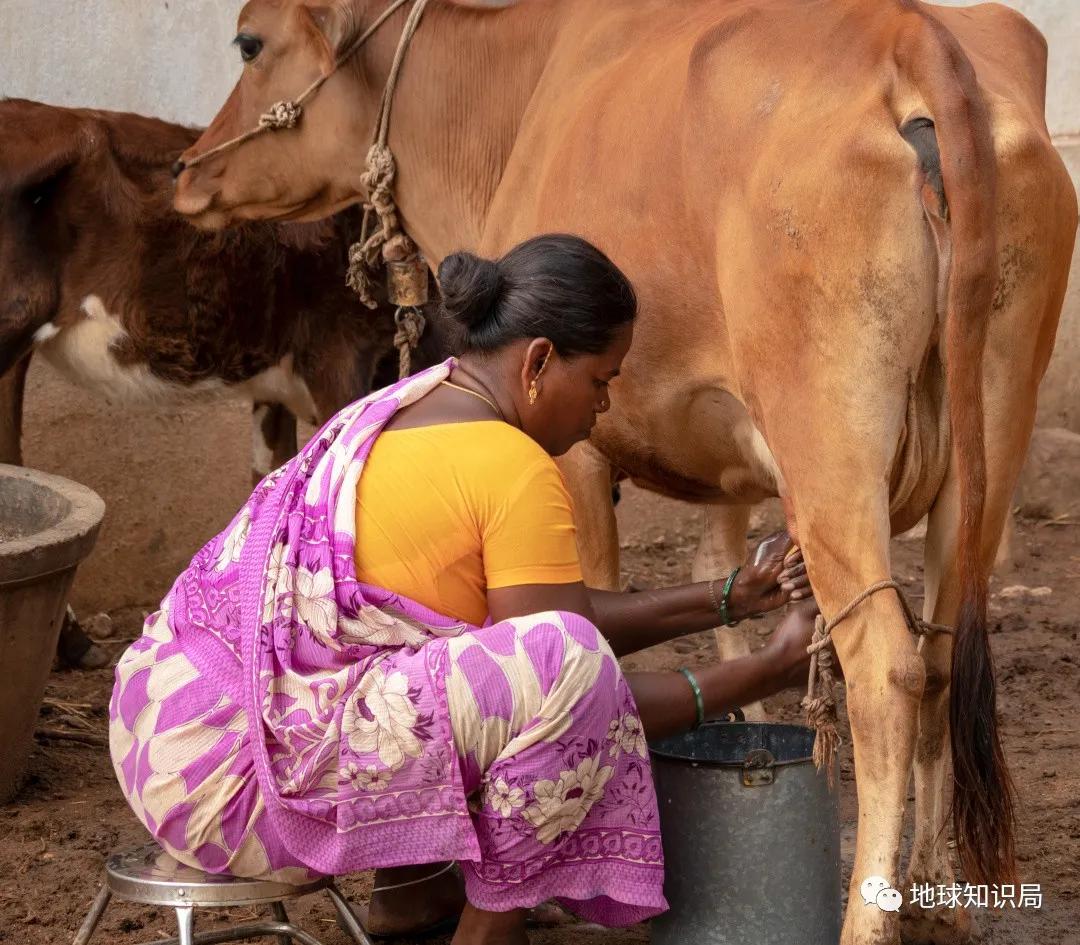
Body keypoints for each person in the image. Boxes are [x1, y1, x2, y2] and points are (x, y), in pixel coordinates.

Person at [110, 233, 819, 945]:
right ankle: (487, 932)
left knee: (464, 661)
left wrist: (729, 596)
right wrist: (761, 671)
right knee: (556, 675)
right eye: (601, 380)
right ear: (538, 361)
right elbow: (577, 682)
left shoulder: (402, 403)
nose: (601, 407)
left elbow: (551, 618)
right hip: (235, 788)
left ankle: (414, 895)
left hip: (160, 729)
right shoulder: (512, 463)